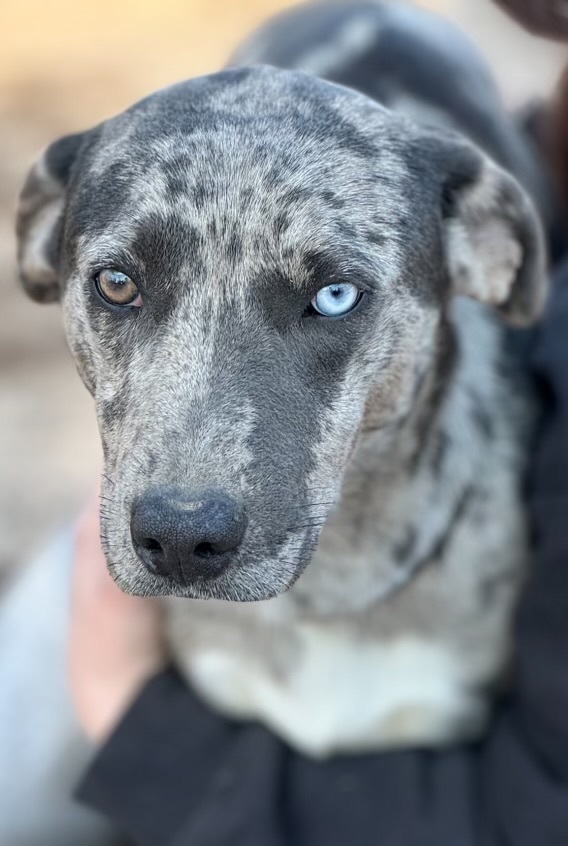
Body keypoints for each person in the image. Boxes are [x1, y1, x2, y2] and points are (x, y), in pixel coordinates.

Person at [68, 4, 568, 844]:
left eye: (331, 297)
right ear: (49, 242)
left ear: (493, 260)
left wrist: (125, 714)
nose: (188, 504)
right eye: (120, 288)